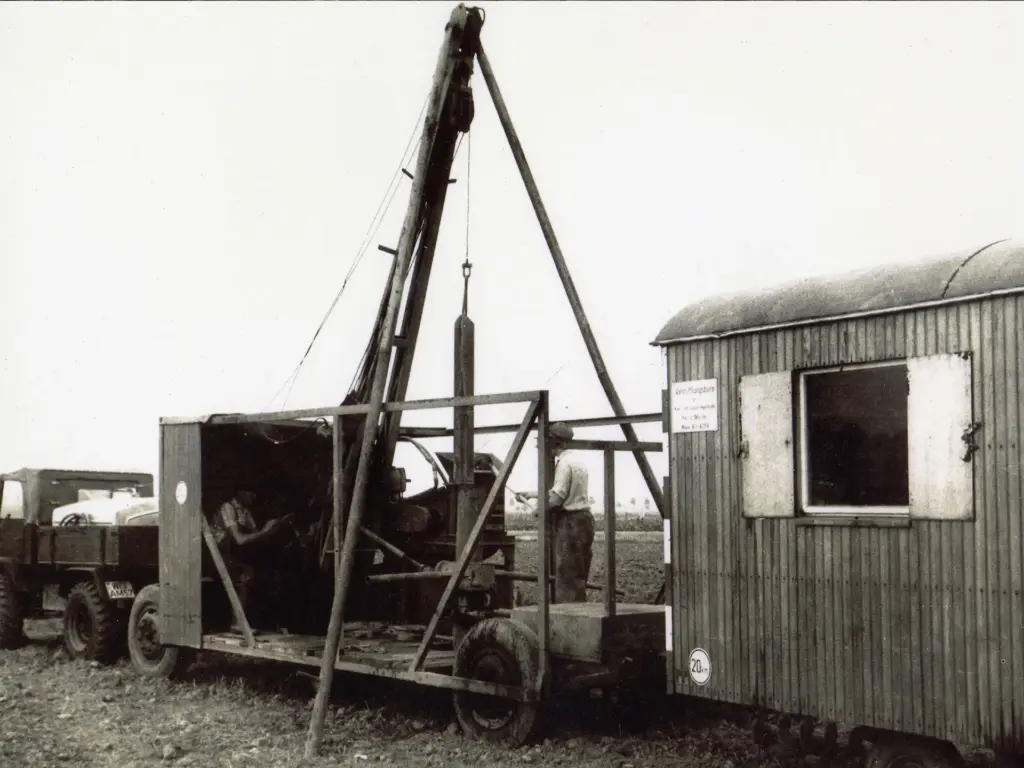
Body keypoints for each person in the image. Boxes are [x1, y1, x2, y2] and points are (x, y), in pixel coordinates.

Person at [514, 422, 595, 603]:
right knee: (579, 572)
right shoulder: (578, 462)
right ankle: (578, 611)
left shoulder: (564, 464)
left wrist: (538, 509)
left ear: (557, 444)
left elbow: (558, 497)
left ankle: (568, 617)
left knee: (567, 575)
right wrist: (532, 494)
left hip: (571, 524)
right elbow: (564, 492)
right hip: (584, 520)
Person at [208, 486, 293, 630]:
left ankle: (270, 623)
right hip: (220, 556)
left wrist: (274, 530)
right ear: (239, 491)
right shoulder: (229, 508)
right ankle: (237, 624)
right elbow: (240, 539)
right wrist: (265, 531)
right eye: (249, 492)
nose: (253, 496)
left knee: (273, 570)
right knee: (247, 574)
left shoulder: (246, 512)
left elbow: (255, 538)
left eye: (255, 492)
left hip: (237, 555)